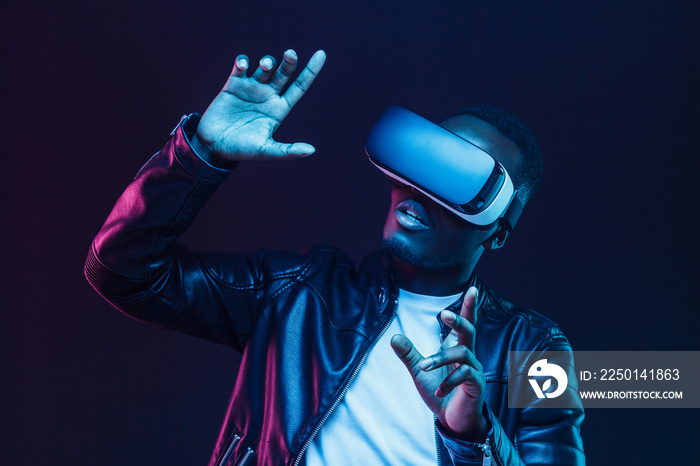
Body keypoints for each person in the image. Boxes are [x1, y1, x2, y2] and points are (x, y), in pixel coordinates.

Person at [85, 49, 585, 465]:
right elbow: (122, 271)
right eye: (424, 159)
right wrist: (200, 154)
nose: (421, 191)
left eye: (459, 182)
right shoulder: (298, 291)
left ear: (497, 233)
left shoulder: (538, 349)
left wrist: (471, 433)